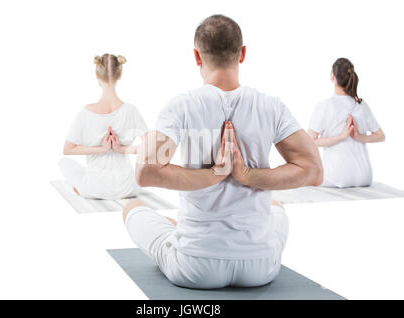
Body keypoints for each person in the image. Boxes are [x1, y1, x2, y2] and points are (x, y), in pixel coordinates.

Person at [122, 15, 323, 289]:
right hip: (260, 268)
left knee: (131, 206)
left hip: (196, 266)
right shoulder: (271, 107)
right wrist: (246, 176)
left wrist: (213, 176)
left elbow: (145, 172)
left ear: (196, 56)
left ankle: (177, 230)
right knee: (276, 208)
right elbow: (313, 171)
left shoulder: (181, 106)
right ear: (242, 53)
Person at [59, 54, 148, 200]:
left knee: (63, 163)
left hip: (95, 189)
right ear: (120, 75)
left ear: (96, 75)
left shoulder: (85, 112)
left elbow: (67, 150)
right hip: (127, 188)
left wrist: (101, 149)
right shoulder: (131, 110)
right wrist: (122, 149)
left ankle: (80, 188)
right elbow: (151, 146)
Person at [308, 58, 385, 188]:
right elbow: (380, 136)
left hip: (338, 177)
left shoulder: (325, 106)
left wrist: (341, 137)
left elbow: (309, 142)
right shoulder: (361, 105)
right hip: (364, 176)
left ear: (332, 76)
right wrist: (359, 137)